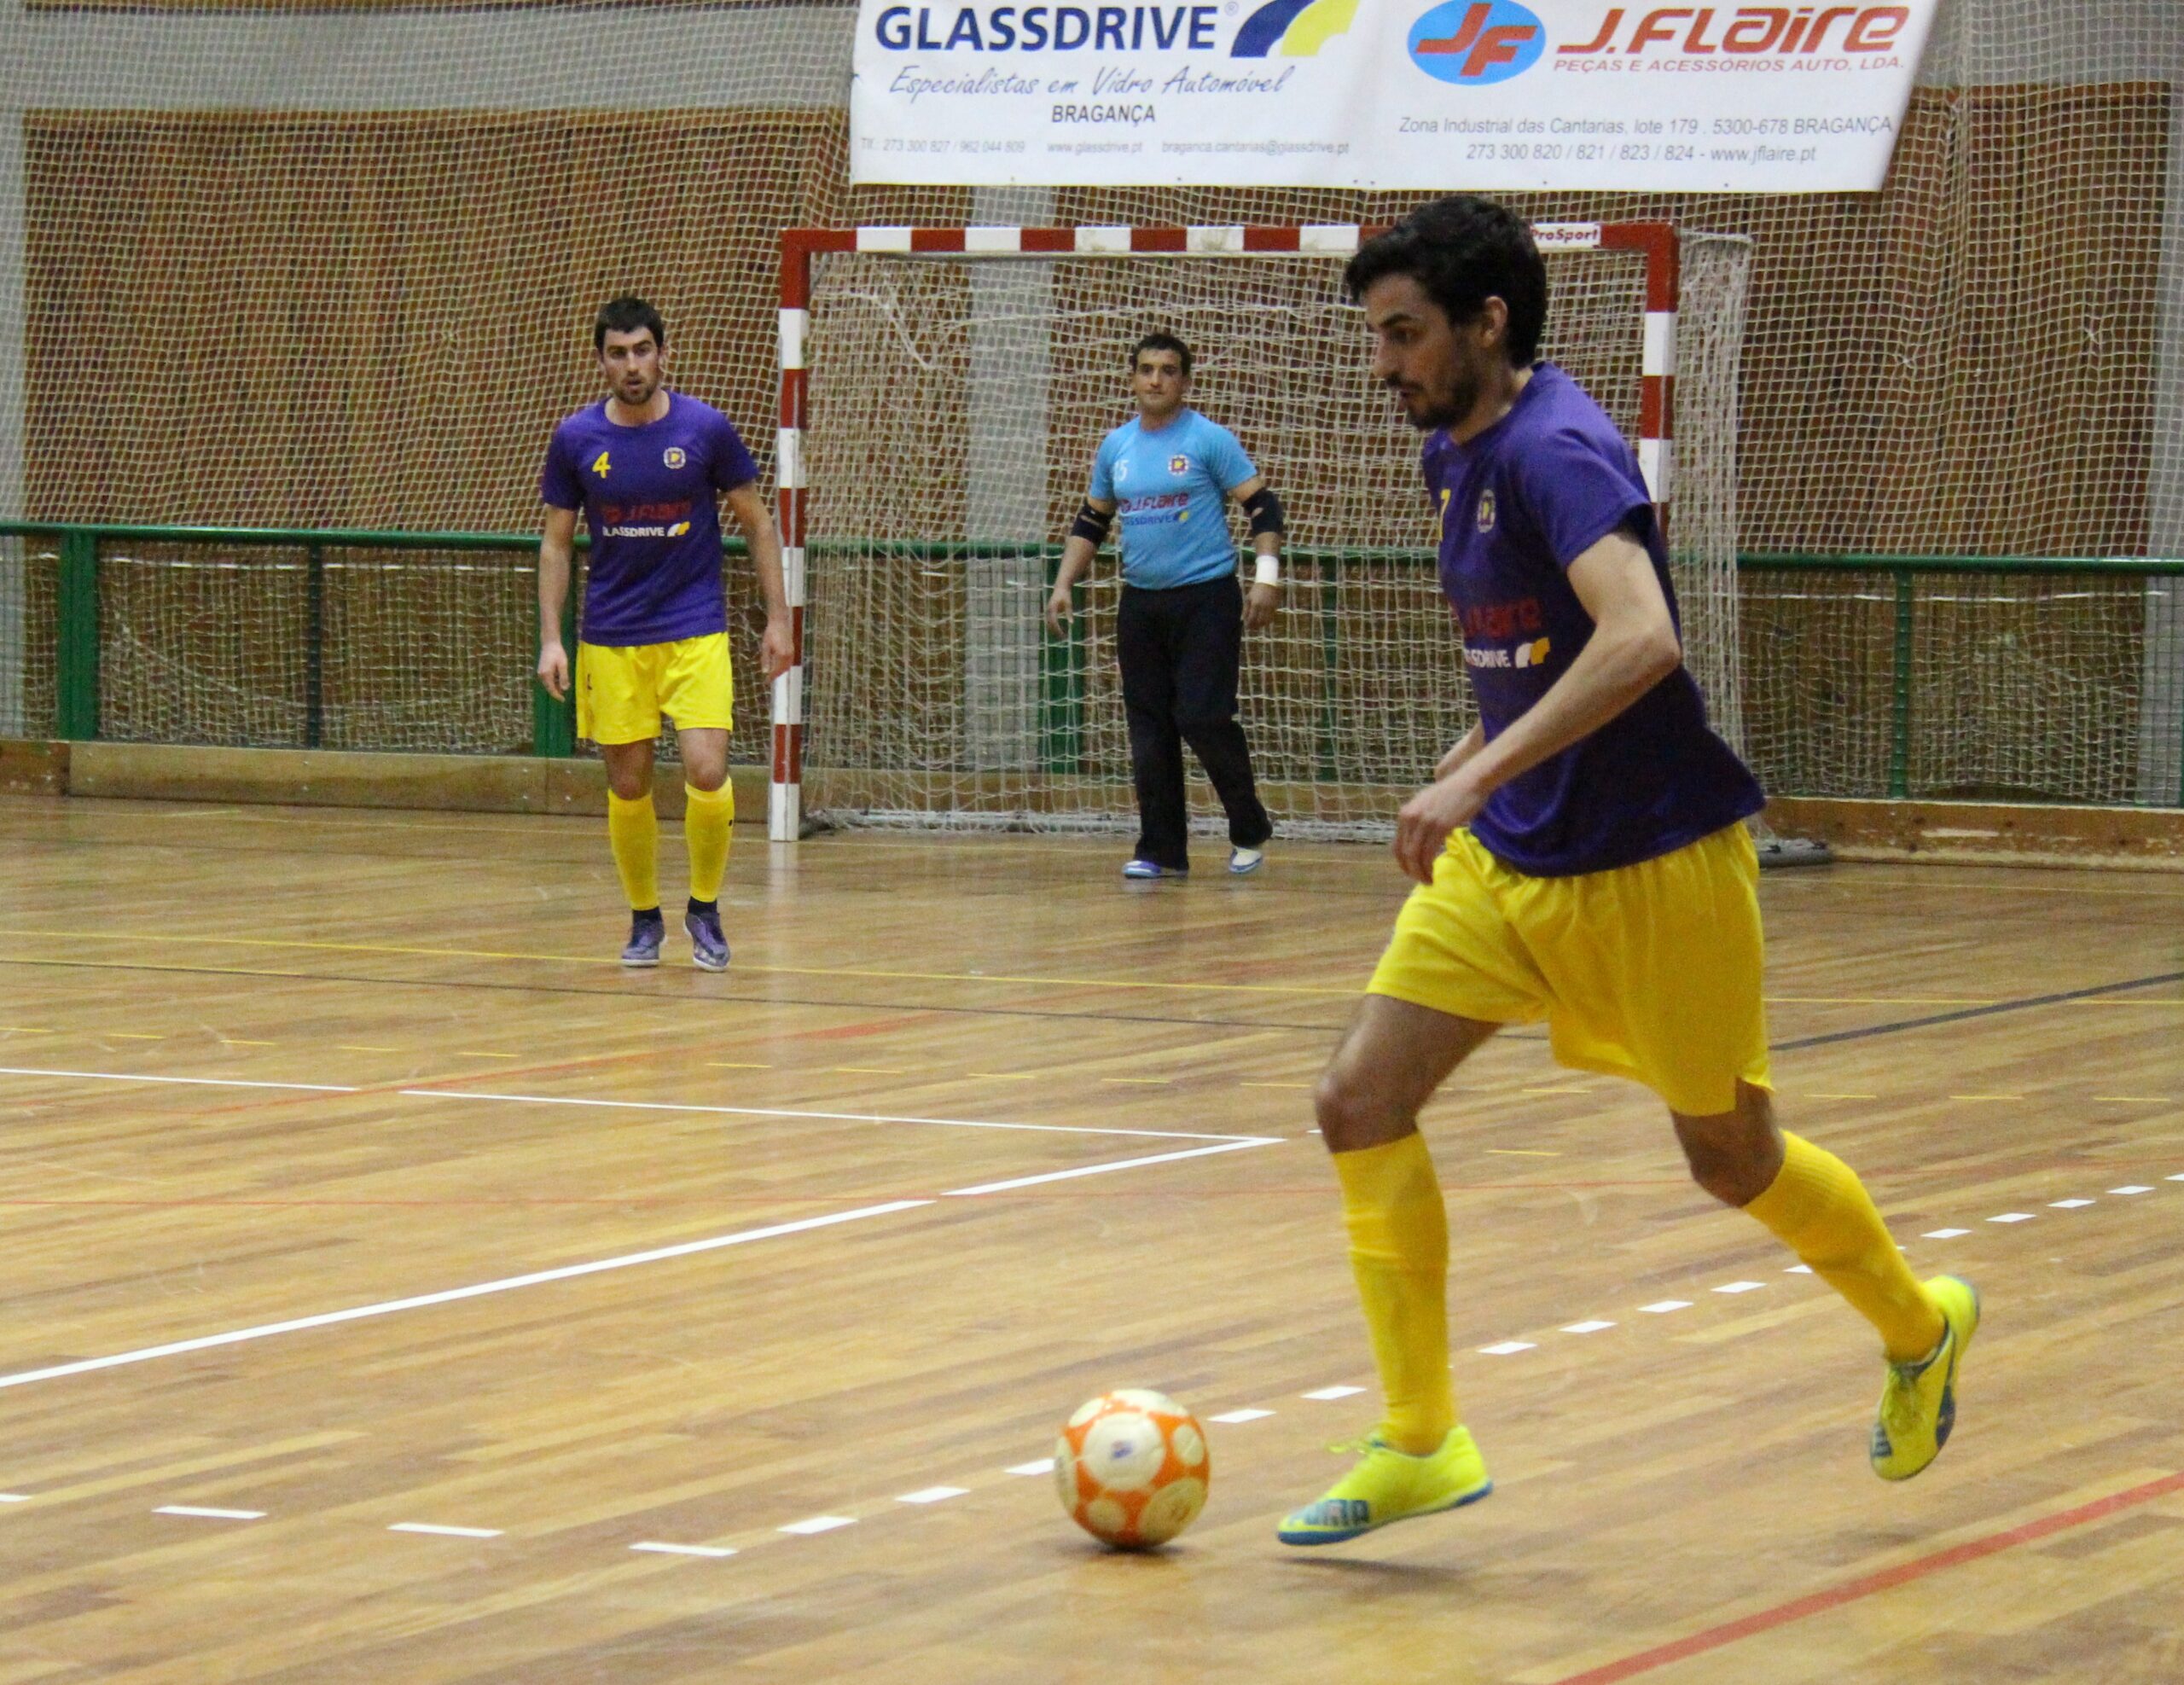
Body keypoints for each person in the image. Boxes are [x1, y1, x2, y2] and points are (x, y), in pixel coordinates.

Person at [1277, 197, 1978, 1546]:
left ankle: (1918, 1322)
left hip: (1657, 865)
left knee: (1731, 1158)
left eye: (1407, 333)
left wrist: (1470, 776)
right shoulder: (1459, 448)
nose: (1387, 364)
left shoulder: (1561, 450)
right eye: (1380, 335)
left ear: (1488, 322)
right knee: (1357, 1099)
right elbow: (1535, 652)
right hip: (1515, 858)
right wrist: (1477, 753)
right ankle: (1421, 1436)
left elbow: (1641, 635)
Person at [537, 296, 793, 970]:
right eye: (618, 353)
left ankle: (704, 908)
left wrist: (778, 616)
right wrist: (552, 637)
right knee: (629, 785)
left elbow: (758, 523)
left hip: (694, 625)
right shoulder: (576, 440)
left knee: (707, 770)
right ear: (601, 362)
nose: (632, 364)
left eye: (642, 350)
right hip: (612, 634)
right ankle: (644, 916)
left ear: (663, 354)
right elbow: (558, 543)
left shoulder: (706, 429)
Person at [1046, 333, 1282, 879]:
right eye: (1147, 369)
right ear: (1133, 377)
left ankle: (1248, 826)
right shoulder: (1117, 447)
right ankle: (1161, 849)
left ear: (1184, 380)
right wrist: (1063, 583)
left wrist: (1266, 578)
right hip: (1141, 604)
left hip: (1206, 598)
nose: (1156, 379)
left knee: (1201, 715)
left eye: (1168, 370)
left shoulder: (1209, 440)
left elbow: (1264, 509)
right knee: (1148, 727)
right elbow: (1092, 520)